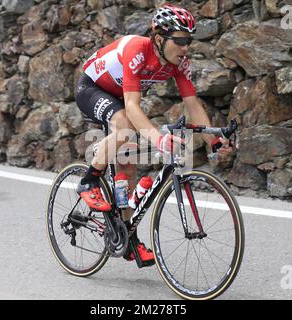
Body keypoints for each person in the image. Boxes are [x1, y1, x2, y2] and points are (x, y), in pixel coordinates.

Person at [75, 5, 233, 266]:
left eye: (189, 41)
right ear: (159, 38)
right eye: (180, 41)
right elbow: (133, 107)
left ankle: (127, 238)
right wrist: (159, 140)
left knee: (128, 168)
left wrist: (214, 141)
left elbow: (193, 105)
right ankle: (89, 180)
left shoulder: (180, 63)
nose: (186, 48)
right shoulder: (138, 49)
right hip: (92, 89)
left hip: (121, 98)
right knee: (125, 124)